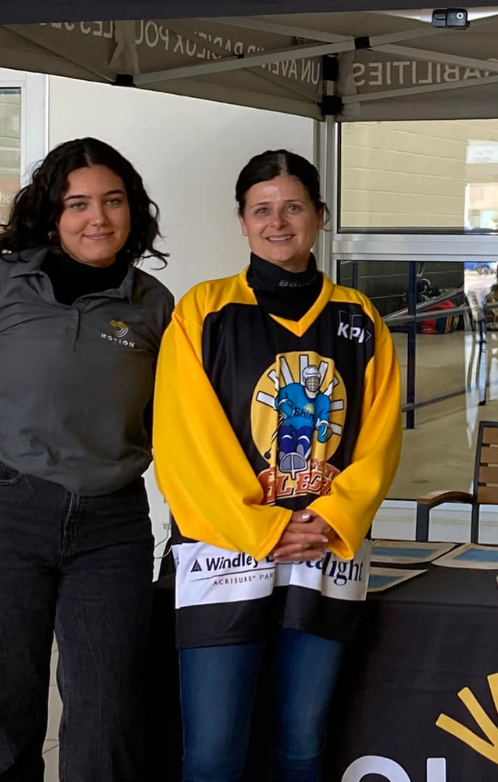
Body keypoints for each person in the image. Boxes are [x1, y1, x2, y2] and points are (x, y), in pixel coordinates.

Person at [0, 137, 174, 782]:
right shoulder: (1, 283)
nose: (97, 218)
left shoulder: (155, 305)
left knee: (110, 715)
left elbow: (169, 423)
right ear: (52, 215)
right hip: (1, 521)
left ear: (132, 211)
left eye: (112, 201)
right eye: (77, 204)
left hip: (112, 529)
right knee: (5, 712)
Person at [153, 149, 402, 782]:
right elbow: (185, 442)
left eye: (293, 207)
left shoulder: (358, 316)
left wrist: (332, 516)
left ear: (319, 215)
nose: (278, 222)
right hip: (221, 557)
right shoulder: (203, 312)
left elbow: (378, 436)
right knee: (213, 754)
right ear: (241, 221)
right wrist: (264, 528)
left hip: (325, 551)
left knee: (302, 747)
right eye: (261, 210)